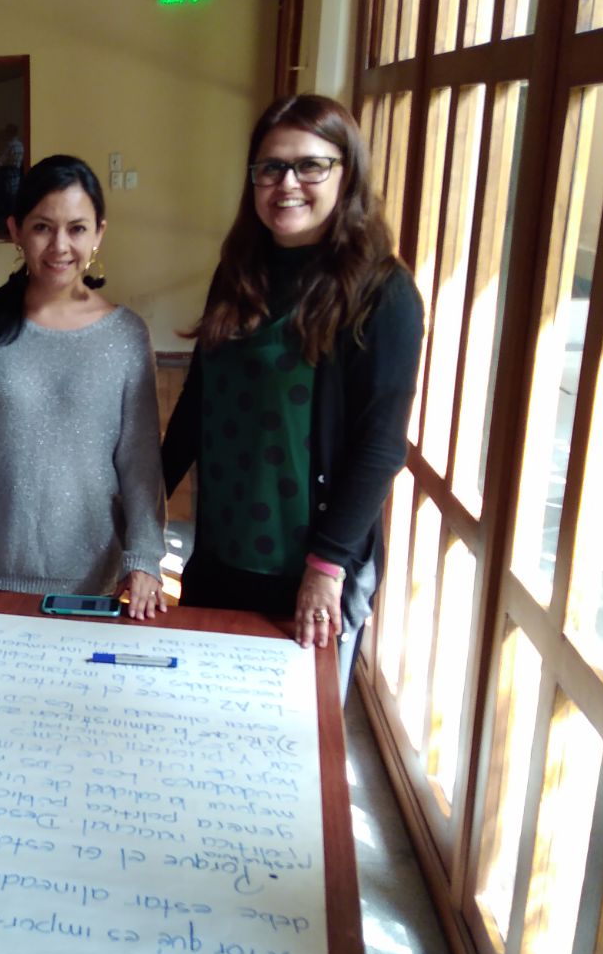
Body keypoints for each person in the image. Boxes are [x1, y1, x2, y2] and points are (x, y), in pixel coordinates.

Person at [161, 94, 423, 699]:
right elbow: (199, 401)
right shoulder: (238, 272)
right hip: (222, 550)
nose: (287, 184)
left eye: (311, 166)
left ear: (346, 173)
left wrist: (326, 567)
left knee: (293, 724)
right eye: (271, 167)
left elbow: (380, 447)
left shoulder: (382, 292)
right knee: (203, 706)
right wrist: (148, 501)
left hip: (311, 564)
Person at [0, 154, 167, 619]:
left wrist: (144, 557)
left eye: (77, 229)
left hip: (96, 576)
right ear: (16, 231)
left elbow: (140, 462)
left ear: (99, 233)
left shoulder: (126, 336)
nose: (60, 246)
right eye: (42, 227)